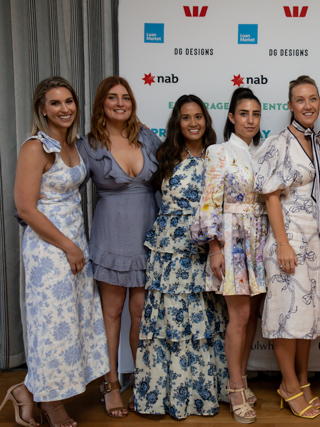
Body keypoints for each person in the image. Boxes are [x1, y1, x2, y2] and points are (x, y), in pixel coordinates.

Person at [6, 76, 109, 427]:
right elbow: (25, 208)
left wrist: (76, 247)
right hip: (49, 250)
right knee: (51, 325)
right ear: (42, 109)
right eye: (55, 103)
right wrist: (68, 247)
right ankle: (50, 404)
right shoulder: (35, 148)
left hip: (75, 244)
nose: (64, 109)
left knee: (71, 322)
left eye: (69, 101)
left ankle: (26, 391)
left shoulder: (73, 145)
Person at [133, 95, 228, 419]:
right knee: (169, 319)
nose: (193, 123)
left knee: (203, 319)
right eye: (186, 117)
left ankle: (203, 394)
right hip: (169, 249)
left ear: (206, 120)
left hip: (205, 247)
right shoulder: (165, 153)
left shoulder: (216, 155)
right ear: (178, 122)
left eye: (198, 116)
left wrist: (217, 246)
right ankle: (164, 397)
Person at [77, 76, 162, 417]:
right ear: (102, 103)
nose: (120, 103)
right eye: (112, 97)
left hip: (146, 236)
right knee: (111, 315)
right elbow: (64, 186)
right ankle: (111, 384)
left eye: (125, 97)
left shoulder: (147, 137)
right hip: (110, 236)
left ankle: (142, 381)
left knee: (141, 313)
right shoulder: (88, 145)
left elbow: (173, 172)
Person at [252, 75, 320, 420]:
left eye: (313, 98)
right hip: (289, 239)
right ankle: (288, 386)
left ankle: (302, 379)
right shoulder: (278, 143)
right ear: (289, 105)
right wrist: (283, 244)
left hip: (317, 241)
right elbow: (270, 195)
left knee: (306, 318)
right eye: (300, 100)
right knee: (287, 315)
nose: (307, 105)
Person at [191, 88, 266, 423]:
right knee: (240, 316)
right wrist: (215, 247)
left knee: (251, 316)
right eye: (244, 114)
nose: (250, 120)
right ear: (232, 117)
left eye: (256, 114)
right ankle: (235, 389)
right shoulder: (218, 151)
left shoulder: (261, 152)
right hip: (233, 241)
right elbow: (209, 201)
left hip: (259, 240)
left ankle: (242, 380)